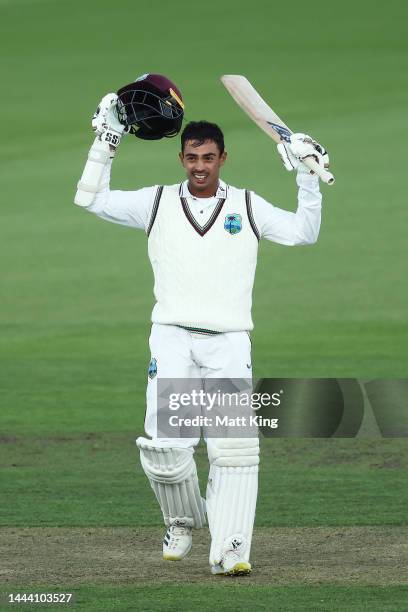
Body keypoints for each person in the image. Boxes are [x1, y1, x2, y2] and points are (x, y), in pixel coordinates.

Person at [74, 73, 329, 576]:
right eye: (191, 157)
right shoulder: (155, 202)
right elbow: (91, 199)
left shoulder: (247, 206)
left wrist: (307, 176)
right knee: (166, 448)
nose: (199, 166)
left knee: (234, 450)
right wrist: (105, 141)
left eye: (208, 157)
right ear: (181, 159)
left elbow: (304, 233)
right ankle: (183, 520)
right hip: (171, 338)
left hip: (229, 341)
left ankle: (233, 550)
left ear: (222, 159)